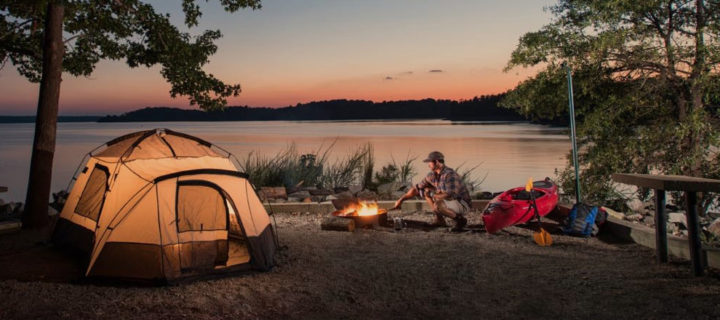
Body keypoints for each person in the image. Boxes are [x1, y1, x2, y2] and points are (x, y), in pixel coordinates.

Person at [392, 151, 471, 231]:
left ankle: (460, 220)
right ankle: (440, 220)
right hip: (449, 201)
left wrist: (432, 193)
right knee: (424, 191)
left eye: (429, 162)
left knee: (436, 201)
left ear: (436, 162)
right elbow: (416, 189)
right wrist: (401, 200)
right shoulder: (432, 175)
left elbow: (449, 195)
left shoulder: (450, 175)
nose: (428, 165)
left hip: (461, 203)